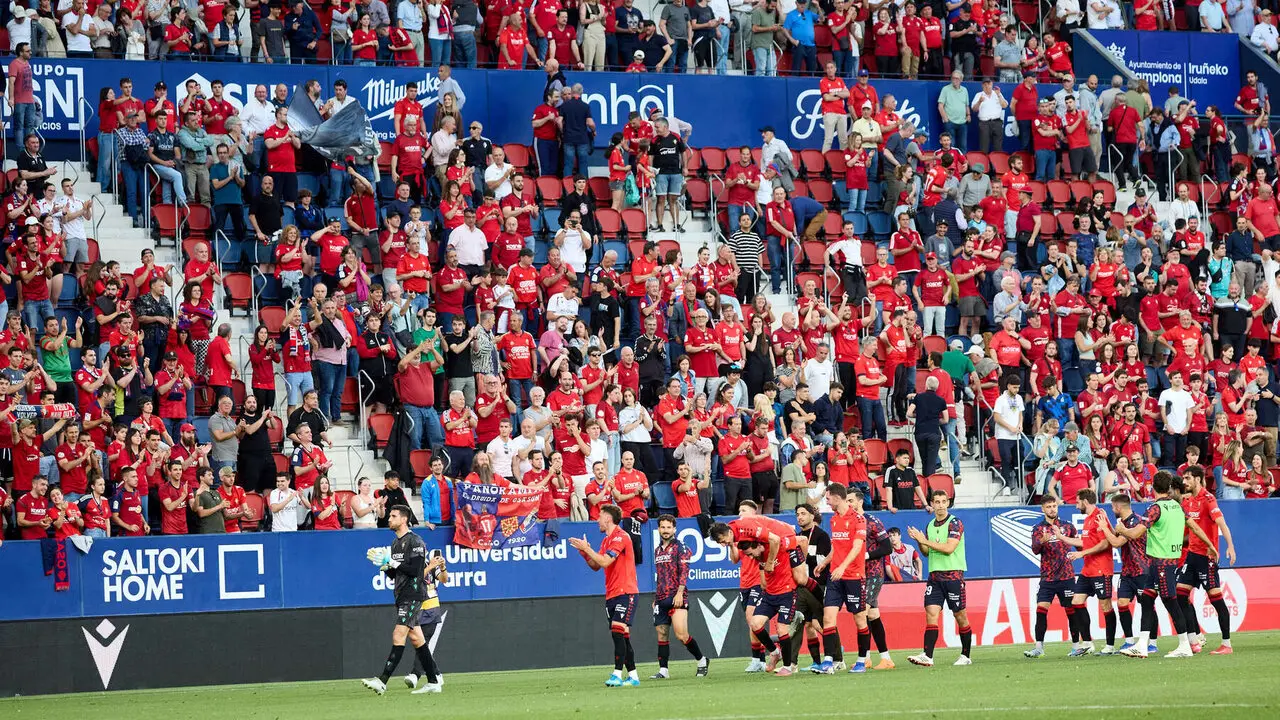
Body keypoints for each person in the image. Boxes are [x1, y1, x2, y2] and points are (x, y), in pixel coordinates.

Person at [362, 505, 442, 695]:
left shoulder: (415, 541)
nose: (389, 518)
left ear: (404, 519)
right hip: (401, 594)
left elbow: (415, 571)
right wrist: (385, 567)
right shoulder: (395, 544)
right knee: (417, 639)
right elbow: (397, 574)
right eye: (390, 515)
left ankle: (382, 681)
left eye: (393, 516)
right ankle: (433, 681)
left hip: (413, 594)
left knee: (398, 635)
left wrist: (392, 562)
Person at [1113, 471, 1195, 658]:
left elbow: (1135, 534)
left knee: (1170, 602)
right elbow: (1193, 527)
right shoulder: (1176, 506)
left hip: (1161, 562)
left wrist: (1121, 529)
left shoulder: (1155, 508)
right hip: (1158, 562)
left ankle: (1184, 645)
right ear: (1168, 488)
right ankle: (1142, 644)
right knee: (1147, 600)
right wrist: (1209, 545)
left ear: (1152, 487)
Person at [569, 504, 641, 687]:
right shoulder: (605, 540)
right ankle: (633, 677)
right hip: (611, 593)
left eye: (599, 516)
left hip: (626, 591)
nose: (597, 520)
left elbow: (605, 561)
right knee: (622, 635)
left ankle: (617, 674)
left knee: (618, 630)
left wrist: (587, 548)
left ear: (608, 518)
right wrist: (584, 552)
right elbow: (595, 565)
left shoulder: (621, 537)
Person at [1175, 465, 1238, 655]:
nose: (1184, 482)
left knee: (1216, 600)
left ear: (1198, 479)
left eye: (1187, 478)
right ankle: (1194, 640)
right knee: (1180, 595)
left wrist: (1230, 547)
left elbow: (1222, 524)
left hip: (1207, 557)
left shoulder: (1208, 499)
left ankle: (1226, 644)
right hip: (1192, 556)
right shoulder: (1187, 502)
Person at [906, 490, 973, 667]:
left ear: (948, 503)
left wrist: (924, 540)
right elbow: (927, 553)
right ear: (932, 504)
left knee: (960, 616)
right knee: (931, 613)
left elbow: (949, 548)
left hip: (953, 575)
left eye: (944, 501)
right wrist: (919, 541)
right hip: (935, 576)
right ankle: (928, 656)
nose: (941, 505)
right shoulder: (930, 525)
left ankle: (966, 655)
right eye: (937, 502)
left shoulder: (955, 523)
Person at [814, 483, 871, 673]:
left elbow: (857, 548)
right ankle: (829, 661)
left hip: (854, 577)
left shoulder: (858, 519)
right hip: (835, 578)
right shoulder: (833, 519)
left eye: (828, 498)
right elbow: (836, 546)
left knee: (860, 619)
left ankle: (862, 660)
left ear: (838, 497)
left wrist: (842, 567)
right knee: (828, 617)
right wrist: (825, 563)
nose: (827, 502)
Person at [650, 514, 710, 679]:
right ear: (658, 529)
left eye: (669, 527)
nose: (666, 530)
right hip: (661, 597)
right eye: (663, 527)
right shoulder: (657, 550)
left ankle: (702, 660)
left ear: (674, 529)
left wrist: (679, 593)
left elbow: (684, 572)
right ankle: (663, 670)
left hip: (677, 596)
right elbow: (660, 576)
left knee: (681, 634)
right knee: (662, 633)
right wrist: (656, 598)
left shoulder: (681, 547)